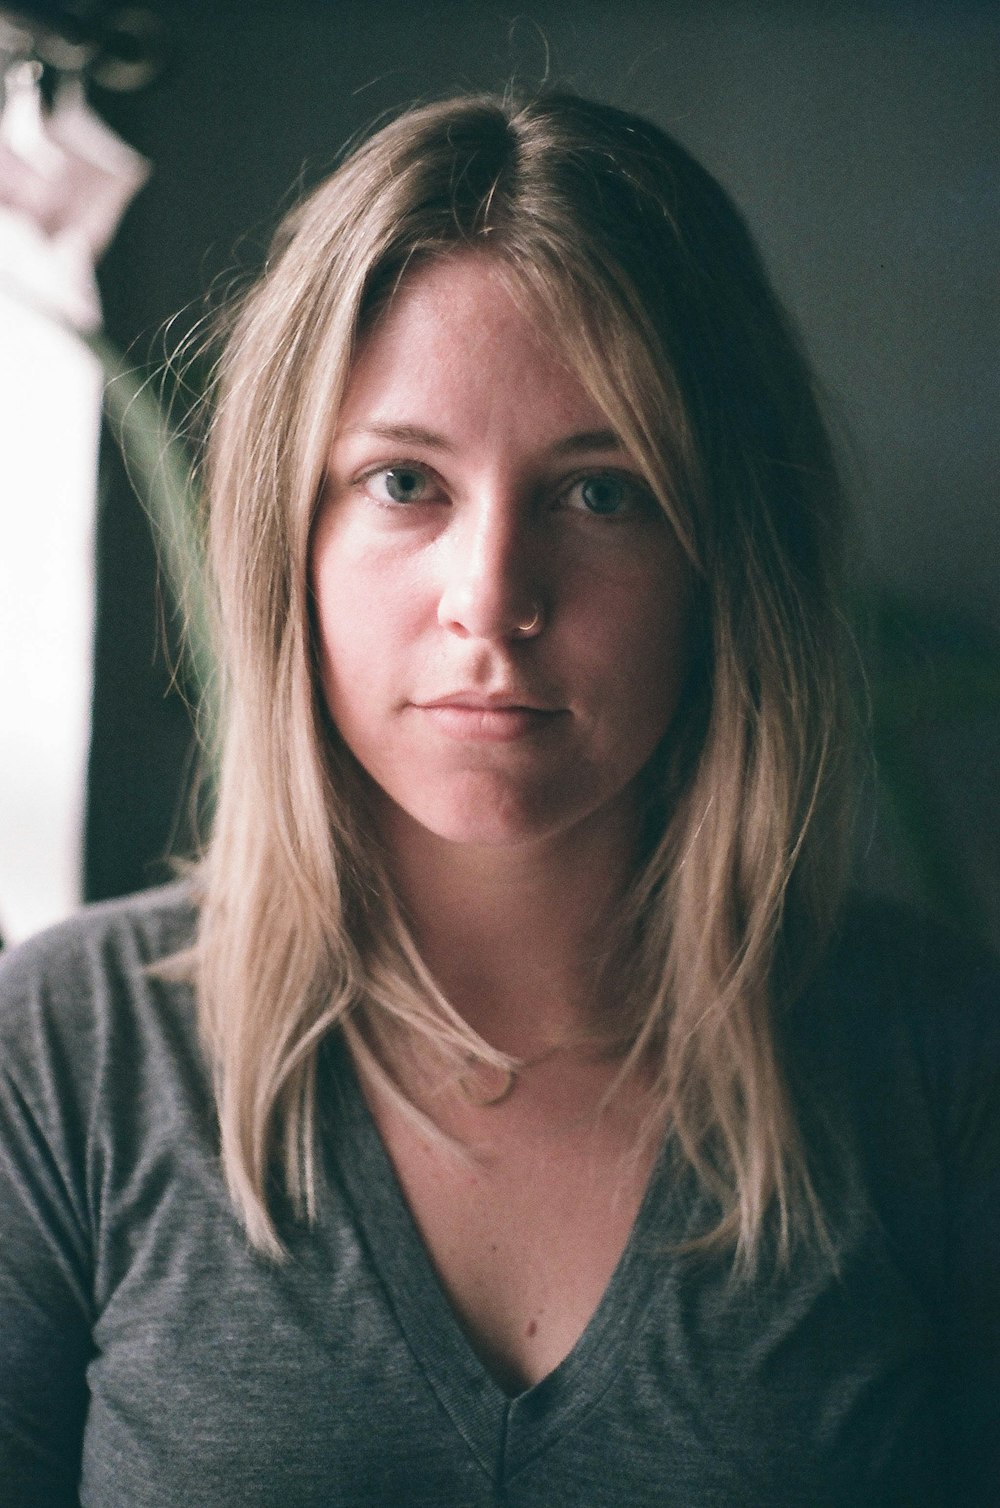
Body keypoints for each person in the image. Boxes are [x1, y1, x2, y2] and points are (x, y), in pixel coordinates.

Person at [1, 91, 997, 1508]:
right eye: (406, 483)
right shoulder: (61, 1061)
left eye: (602, 494)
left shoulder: (940, 1064)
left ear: (728, 560)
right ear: (289, 534)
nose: (493, 602)